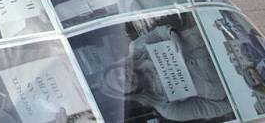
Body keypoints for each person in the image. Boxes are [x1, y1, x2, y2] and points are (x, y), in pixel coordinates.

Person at [98, 24, 232, 121]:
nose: (124, 77)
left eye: (118, 73)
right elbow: (217, 108)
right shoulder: (168, 109)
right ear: (126, 94)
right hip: (234, 75)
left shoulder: (137, 47)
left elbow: (159, 32)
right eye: (120, 83)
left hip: (218, 36)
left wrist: (171, 33)